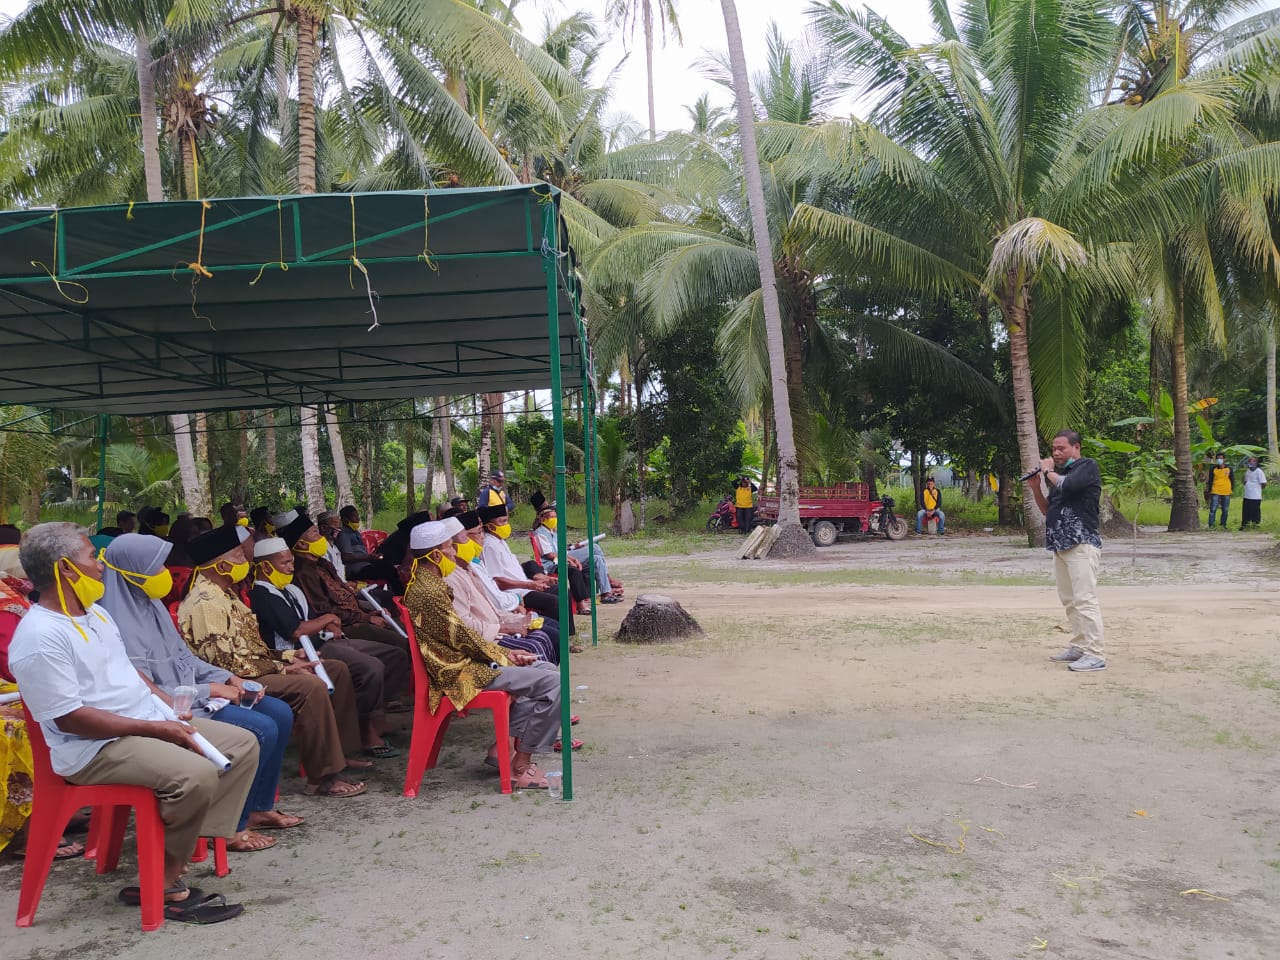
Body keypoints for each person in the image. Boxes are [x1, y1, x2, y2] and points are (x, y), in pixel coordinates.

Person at [9, 522, 256, 922]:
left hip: (140, 723)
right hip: (93, 747)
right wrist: (158, 729)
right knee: (194, 775)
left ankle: (178, 848)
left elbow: (130, 674)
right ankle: (165, 882)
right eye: (92, 556)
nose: (101, 565)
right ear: (66, 569)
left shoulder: (96, 616)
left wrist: (167, 707)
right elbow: (71, 719)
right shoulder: (40, 637)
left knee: (242, 744)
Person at [100, 533, 304, 854]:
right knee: (260, 729)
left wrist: (228, 678)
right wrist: (209, 689)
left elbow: (184, 658)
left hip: (191, 695)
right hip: (165, 711)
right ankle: (229, 824)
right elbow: (145, 691)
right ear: (131, 571)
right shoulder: (113, 621)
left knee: (278, 712)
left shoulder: (151, 605)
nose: (164, 574)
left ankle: (259, 807)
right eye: (156, 569)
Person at [179, 527, 369, 797]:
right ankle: (322, 777)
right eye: (239, 555)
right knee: (310, 686)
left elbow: (251, 650)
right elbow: (228, 664)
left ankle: (340, 753)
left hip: (252, 669)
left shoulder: (226, 594)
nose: (246, 560)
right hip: (235, 681)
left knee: (333, 668)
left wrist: (290, 656)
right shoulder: (206, 603)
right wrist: (284, 667)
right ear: (221, 566)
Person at [403, 520, 564, 789]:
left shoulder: (430, 583)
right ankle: (520, 764)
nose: (455, 551)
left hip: (467, 662)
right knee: (552, 683)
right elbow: (462, 638)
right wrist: (504, 656)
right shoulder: (428, 591)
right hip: (460, 672)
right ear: (435, 555)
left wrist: (503, 654)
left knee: (546, 670)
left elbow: (461, 637)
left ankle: (506, 751)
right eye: (449, 548)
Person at [251, 531, 402, 759]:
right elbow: (296, 630)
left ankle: (374, 716)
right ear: (265, 567)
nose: (291, 567)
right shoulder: (262, 593)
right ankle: (364, 729)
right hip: (301, 652)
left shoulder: (290, 589)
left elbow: (311, 619)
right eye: (285, 563)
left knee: (394, 656)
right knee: (370, 667)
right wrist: (327, 619)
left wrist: (328, 624)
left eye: (291, 560)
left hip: (323, 640)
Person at [1027, 430, 1106, 673]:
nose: (1056, 453)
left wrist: (1048, 471)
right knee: (1070, 600)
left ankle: (1095, 654)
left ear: (1076, 448)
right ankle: (1079, 646)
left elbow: (1069, 485)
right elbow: (1047, 510)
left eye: (1062, 448)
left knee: (1085, 599)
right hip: (1060, 545)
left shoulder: (1086, 467)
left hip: (1081, 544)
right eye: (1054, 449)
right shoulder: (1059, 475)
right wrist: (1035, 487)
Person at [441, 517, 558, 664]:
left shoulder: (469, 567)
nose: (482, 537)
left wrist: (515, 619)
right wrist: (505, 626)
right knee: (538, 644)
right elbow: (465, 626)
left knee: (546, 635)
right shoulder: (450, 578)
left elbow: (491, 607)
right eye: (466, 538)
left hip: (501, 619)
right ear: (439, 553)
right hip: (485, 639)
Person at [528, 494, 622, 603]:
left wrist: (572, 546)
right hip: (555, 560)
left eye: (555, 516)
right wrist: (570, 559)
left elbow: (557, 547)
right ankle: (608, 581)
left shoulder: (551, 530)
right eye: (551, 517)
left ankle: (606, 593)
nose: (554, 519)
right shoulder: (540, 532)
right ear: (543, 517)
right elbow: (550, 554)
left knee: (597, 558)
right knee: (595, 547)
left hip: (563, 553)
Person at [335, 505, 402, 585]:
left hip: (366, 564)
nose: (358, 519)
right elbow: (346, 557)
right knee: (390, 571)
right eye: (354, 516)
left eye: (358, 516)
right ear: (345, 519)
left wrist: (373, 557)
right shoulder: (344, 534)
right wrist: (368, 557)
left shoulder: (356, 533)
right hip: (356, 570)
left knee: (391, 564)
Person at [315, 511, 347, 580]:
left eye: (339, 523)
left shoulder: (335, 548)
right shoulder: (319, 549)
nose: (339, 527)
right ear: (323, 528)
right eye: (335, 523)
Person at [1206, 453, 1234, 529]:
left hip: (1226, 491)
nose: (1219, 460)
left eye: (1221, 458)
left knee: (1225, 509)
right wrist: (1209, 489)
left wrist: (1232, 489)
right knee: (1213, 509)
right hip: (1215, 490)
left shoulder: (1229, 469)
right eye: (1218, 458)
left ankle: (1223, 525)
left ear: (1224, 459)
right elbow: (1210, 480)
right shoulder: (1213, 469)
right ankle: (1211, 525)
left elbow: (1232, 479)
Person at [1240, 456, 1266, 530]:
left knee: (1255, 511)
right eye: (1249, 461)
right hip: (1247, 494)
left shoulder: (1259, 471)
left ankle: (1256, 524)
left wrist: (1257, 489)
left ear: (1256, 463)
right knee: (1246, 511)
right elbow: (1244, 482)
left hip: (1255, 495)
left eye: (1253, 461)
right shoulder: (1248, 471)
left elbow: (1263, 483)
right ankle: (1245, 524)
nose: (1251, 463)